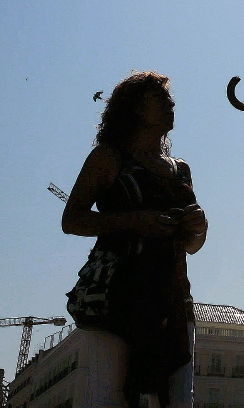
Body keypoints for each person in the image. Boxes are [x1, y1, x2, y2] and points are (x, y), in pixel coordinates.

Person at [63, 71, 207, 408]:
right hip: (115, 295)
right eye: (159, 98)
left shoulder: (180, 169)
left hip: (172, 296)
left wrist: (199, 225)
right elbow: (71, 220)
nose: (170, 104)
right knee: (111, 398)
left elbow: (191, 245)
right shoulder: (107, 158)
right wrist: (135, 221)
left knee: (178, 400)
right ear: (133, 109)